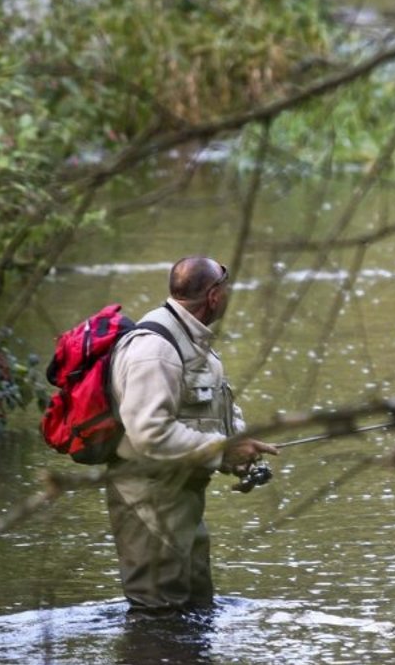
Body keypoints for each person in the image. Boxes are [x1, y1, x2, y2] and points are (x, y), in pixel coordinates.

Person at [105, 256, 277, 615]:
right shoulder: (155, 350)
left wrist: (240, 449)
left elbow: (216, 410)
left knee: (196, 615)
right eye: (226, 289)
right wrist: (222, 453)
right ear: (214, 295)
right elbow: (149, 433)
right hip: (148, 508)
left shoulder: (196, 343)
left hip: (182, 503)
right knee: (158, 622)